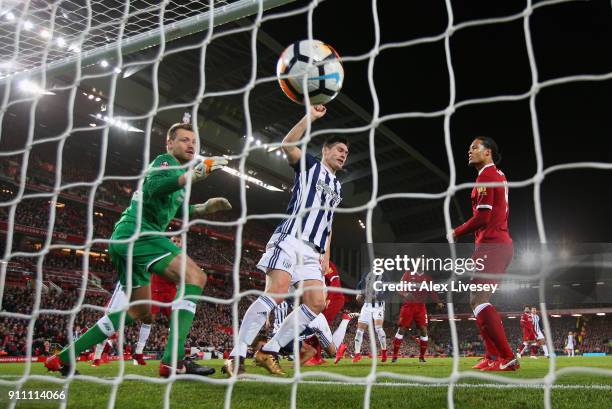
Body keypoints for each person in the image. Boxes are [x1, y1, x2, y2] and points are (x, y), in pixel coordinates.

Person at [45, 122, 231, 377]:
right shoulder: (164, 162)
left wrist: (204, 208)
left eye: (193, 141)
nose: (191, 145)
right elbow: (155, 186)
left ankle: (62, 358)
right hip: (139, 234)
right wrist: (194, 175)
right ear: (170, 143)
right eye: (184, 140)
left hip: (126, 240)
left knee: (140, 310)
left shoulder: (176, 179)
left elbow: (177, 209)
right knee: (196, 277)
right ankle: (173, 361)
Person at [223, 105, 348, 376]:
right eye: (339, 150)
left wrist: (325, 252)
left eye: (346, 153)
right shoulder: (311, 166)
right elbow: (287, 143)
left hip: (313, 250)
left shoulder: (338, 187)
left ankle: (269, 350)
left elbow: (328, 220)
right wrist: (311, 117)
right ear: (325, 151)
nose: (343, 155)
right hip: (291, 238)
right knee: (276, 292)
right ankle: (236, 355)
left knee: (316, 303)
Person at [449, 137, 519, 371]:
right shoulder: (497, 175)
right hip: (495, 244)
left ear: (488, 152)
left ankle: (507, 357)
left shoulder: (487, 176)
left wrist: (456, 232)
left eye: (475, 147)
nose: (469, 151)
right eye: (469, 147)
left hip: (493, 245)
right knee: (476, 299)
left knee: (479, 300)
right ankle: (492, 356)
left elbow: (483, 217)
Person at [391, 270, 444, 363]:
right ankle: (394, 355)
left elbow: (432, 291)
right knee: (402, 329)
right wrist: (405, 293)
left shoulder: (427, 278)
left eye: (423, 262)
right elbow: (399, 287)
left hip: (421, 307)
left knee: (424, 330)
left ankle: (422, 357)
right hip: (408, 305)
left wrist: (438, 301)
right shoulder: (408, 274)